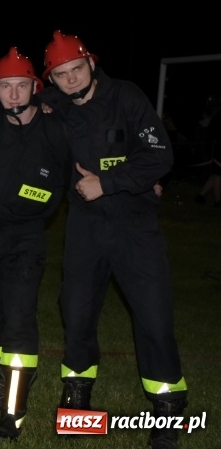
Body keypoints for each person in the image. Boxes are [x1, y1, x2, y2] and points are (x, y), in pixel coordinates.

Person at [39, 31, 188, 448]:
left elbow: (159, 155)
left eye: (76, 69)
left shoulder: (127, 97)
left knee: (154, 319)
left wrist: (108, 183)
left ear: (91, 64)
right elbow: (16, 108)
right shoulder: (55, 108)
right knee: (77, 313)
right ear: (52, 79)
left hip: (135, 228)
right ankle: (77, 403)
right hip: (84, 229)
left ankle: (167, 412)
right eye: (61, 75)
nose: (71, 80)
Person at [0, 47, 70, 441]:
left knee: (19, 321)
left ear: (34, 88)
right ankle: (0, 389)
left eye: (21, 86)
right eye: (5, 86)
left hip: (25, 238)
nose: (12, 94)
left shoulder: (55, 127)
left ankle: (13, 414)